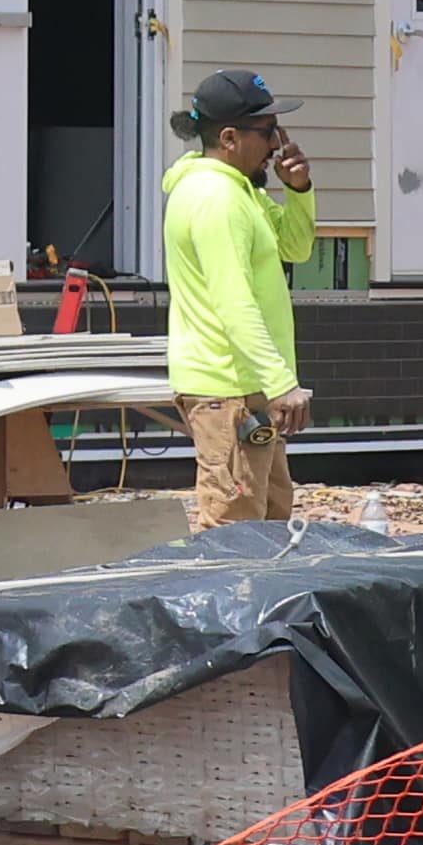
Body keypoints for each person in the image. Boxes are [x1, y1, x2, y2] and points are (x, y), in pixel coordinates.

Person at [159, 68, 317, 531]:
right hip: (227, 389)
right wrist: (281, 382)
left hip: (249, 390)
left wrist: (299, 191)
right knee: (234, 530)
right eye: (267, 132)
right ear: (229, 137)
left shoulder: (241, 191)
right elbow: (234, 301)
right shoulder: (215, 198)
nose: (277, 144)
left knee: (269, 520)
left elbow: (297, 247)